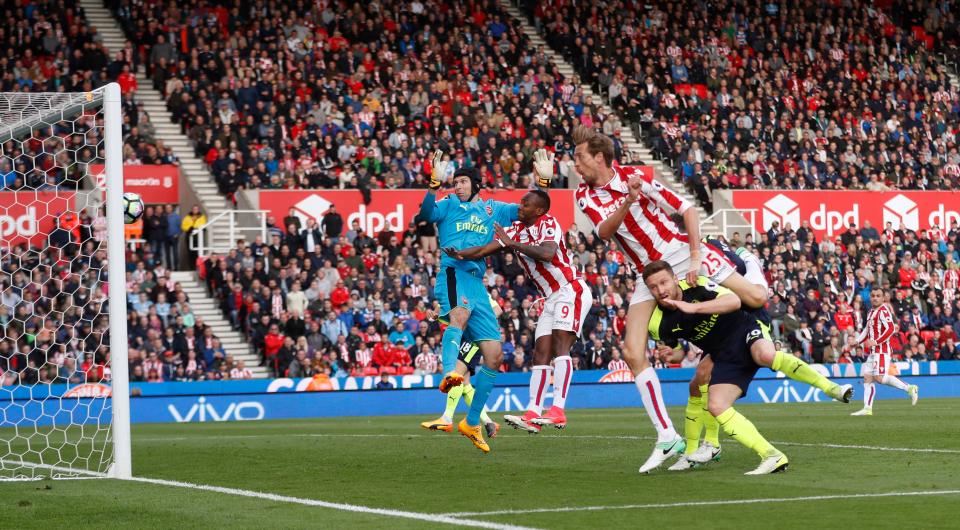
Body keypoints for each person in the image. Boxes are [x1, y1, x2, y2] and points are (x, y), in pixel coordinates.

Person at [563, 125, 767, 473]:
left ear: (599, 157)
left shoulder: (638, 177)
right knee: (631, 351)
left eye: (580, 158)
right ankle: (666, 435)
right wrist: (628, 200)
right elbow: (605, 232)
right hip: (648, 273)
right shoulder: (585, 195)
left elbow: (687, 209)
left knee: (756, 297)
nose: (575, 165)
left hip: (680, 254)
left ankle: (749, 260)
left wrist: (696, 258)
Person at [641, 260, 853, 475]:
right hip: (721, 354)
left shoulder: (696, 285)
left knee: (766, 355)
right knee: (716, 405)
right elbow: (677, 350)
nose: (660, 290)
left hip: (744, 329)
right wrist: (671, 355)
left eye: (664, 282)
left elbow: (733, 301)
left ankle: (831, 388)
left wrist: (692, 307)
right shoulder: (657, 323)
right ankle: (772, 456)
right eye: (653, 287)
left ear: (675, 279)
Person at [445, 186, 592, 432]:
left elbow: (547, 253)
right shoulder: (515, 230)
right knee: (540, 354)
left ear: (539, 209)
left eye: (525, 204)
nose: (520, 207)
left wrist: (512, 243)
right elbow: (483, 250)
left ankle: (558, 410)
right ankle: (533, 413)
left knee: (560, 347)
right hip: (550, 297)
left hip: (570, 289)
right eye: (520, 203)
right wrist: (460, 254)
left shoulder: (548, 223)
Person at [416, 150, 520, 453]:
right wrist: (433, 185)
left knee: (494, 355)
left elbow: (526, 210)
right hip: (454, 273)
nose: (457, 186)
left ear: (476, 184)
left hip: (478, 283)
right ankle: (450, 371)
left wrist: (542, 183)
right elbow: (425, 214)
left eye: (462, 182)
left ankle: (472, 423)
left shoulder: (493, 209)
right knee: (458, 316)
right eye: (455, 182)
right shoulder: (448, 204)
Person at [420, 296, 503, 439]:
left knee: (455, 375)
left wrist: (478, 321)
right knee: (465, 385)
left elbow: (497, 310)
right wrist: (434, 314)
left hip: (474, 338)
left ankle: (447, 418)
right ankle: (489, 422)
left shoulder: (475, 289)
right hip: (461, 336)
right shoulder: (453, 289)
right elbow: (441, 309)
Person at [851, 289, 920, 416]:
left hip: (882, 351)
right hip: (873, 351)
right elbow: (867, 329)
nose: (875, 298)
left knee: (879, 378)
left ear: (883, 298)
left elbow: (891, 329)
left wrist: (875, 342)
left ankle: (909, 388)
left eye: (878, 296)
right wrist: (857, 341)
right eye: (873, 296)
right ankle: (867, 408)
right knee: (867, 378)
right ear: (870, 298)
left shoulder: (883, 311)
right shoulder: (871, 311)